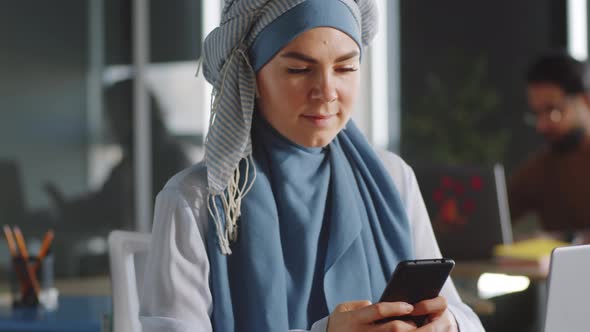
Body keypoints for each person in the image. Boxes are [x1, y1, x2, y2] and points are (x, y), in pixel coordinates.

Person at [139, 0, 484, 331]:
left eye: (346, 67)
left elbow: (462, 314)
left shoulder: (392, 178)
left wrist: (448, 324)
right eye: (299, 69)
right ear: (252, 77)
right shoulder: (201, 199)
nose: (327, 91)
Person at [44, 79, 191, 232]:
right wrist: (67, 210)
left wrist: (68, 211)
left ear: (132, 115)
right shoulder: (140, 156)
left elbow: (109, 208)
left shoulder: (160, 159)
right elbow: (104, 202)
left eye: (114, 116)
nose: (111, 126)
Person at [508, 51, 590, 242]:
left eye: (552, 111)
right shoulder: (540, 168)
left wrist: (570, 239)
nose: (542, 125)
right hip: (559, 272)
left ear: (585, 101)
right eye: (537, 114)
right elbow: (496, 215)